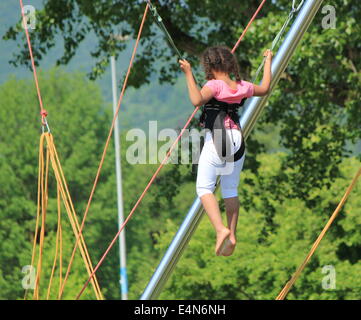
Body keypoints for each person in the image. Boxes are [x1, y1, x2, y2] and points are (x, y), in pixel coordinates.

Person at [179, 46, 272, 256]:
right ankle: (232, 235)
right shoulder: (242, 86)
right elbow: (265, 88)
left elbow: (196, 100)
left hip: (219, 139)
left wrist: (188, 73)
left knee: (204, 188)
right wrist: (268, 61)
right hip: (237, 139)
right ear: (230, 64)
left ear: (209, 66)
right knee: (230, 189)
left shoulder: (214, 86)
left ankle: (221, 229)